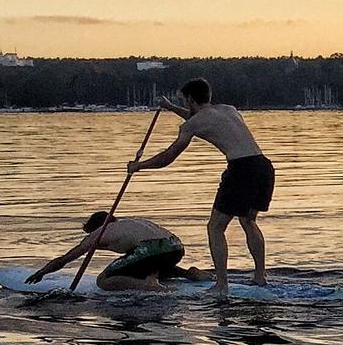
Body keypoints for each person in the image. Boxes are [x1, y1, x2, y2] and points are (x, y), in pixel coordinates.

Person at [130, 78, 274, 301]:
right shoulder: (228, 110)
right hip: (263, 166)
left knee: (215, 227)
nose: (183, 104)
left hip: (241, 169)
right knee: (248, 221)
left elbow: (168, 157)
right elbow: (199, 118)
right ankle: (260, 276)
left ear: (190, 99)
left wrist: (139, 166)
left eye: (183, 100)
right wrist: (169, 107)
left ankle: (221, 285)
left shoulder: (192, 124)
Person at [26, 212, 197, 292]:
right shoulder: (131, 223)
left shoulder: (99, 233)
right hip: (175, 247)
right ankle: (191, 274)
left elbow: (65, 259)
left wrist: (42, 272)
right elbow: (157, 251)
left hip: (149, 249)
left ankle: (148, 285)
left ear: (95, 228)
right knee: (147, 265)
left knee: (103, 280)